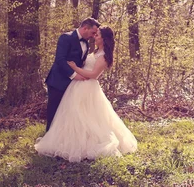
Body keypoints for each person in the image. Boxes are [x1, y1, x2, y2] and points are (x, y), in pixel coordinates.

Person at [35, 26, 138, 162]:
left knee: (87, 116)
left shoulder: (104, 56)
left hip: (88, 87)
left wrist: (75, 69)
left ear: (104, 38)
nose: (95, 36)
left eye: (98, 34)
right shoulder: (96, 51)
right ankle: (67, 140)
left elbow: (94, 75)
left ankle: (87, 144)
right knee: (73, 114)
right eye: (95, 33)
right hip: (77, 85)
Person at [44, 18, 100, 132]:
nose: (94, 36)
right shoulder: (66, 38)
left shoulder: (86, 43)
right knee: (54, 112)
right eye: (93, 32)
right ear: (85, 28)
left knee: (67, 114)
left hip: (74, 86)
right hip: (58, 81)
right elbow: (60, 60)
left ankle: (63, 139)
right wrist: (74, 75)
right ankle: (49, 139)